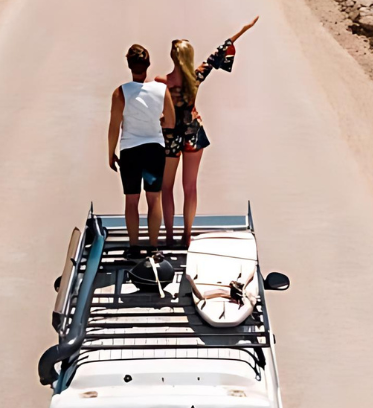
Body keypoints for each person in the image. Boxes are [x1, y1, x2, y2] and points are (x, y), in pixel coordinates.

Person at [162, 16, 260, 248]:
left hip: (171, 136)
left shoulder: (161, 81)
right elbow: (217, 54)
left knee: (166, 187)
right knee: (190, 186)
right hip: (194, 133)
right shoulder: (195, 77)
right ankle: (187, 233)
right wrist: (242, 31)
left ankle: (168, 236)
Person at [108, 44, 175, 259]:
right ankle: (153, 247)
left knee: (131, 200)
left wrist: (110, 152)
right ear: (148, 64)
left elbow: (114, 126)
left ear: (129, 65)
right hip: (154, 149)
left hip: (130, 151)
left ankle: (135, 246)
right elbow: (171, 121)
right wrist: (155, 121)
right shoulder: (160, 90)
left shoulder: (121, 92)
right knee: (154, 198)